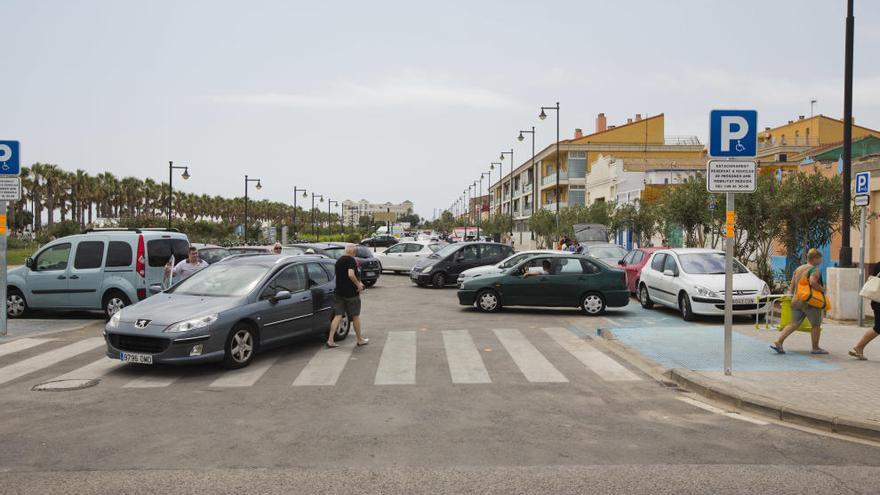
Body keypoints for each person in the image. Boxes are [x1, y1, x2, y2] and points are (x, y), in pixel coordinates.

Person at [771, 248, 827, 355]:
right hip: (810, 301)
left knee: (794, 323)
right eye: (820, 258)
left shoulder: (799, 269)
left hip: (796, 301)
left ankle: (779, 341)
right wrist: (822, 289)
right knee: (816, 325)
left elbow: (792, 286)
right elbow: (812, 282)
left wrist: (792, 296)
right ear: (814, 259)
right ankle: (815, 348)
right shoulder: (814, 269)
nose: (821, 261)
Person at [327, 245, 369, 348]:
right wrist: (358, 285)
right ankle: (359, 339)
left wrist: (359, 282)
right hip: (351, 294)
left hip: (339, 293)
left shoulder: (339, 261)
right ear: (354, 253)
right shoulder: (351, 260)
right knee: (355, 316)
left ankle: (330, 340)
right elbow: (350, 274)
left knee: (338, 316)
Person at [850, 262, 880, 360]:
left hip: (876, 301)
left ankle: (859, 347)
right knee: (878, 328)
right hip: (878, 302)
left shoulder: (878, 264)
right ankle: (859, 347)